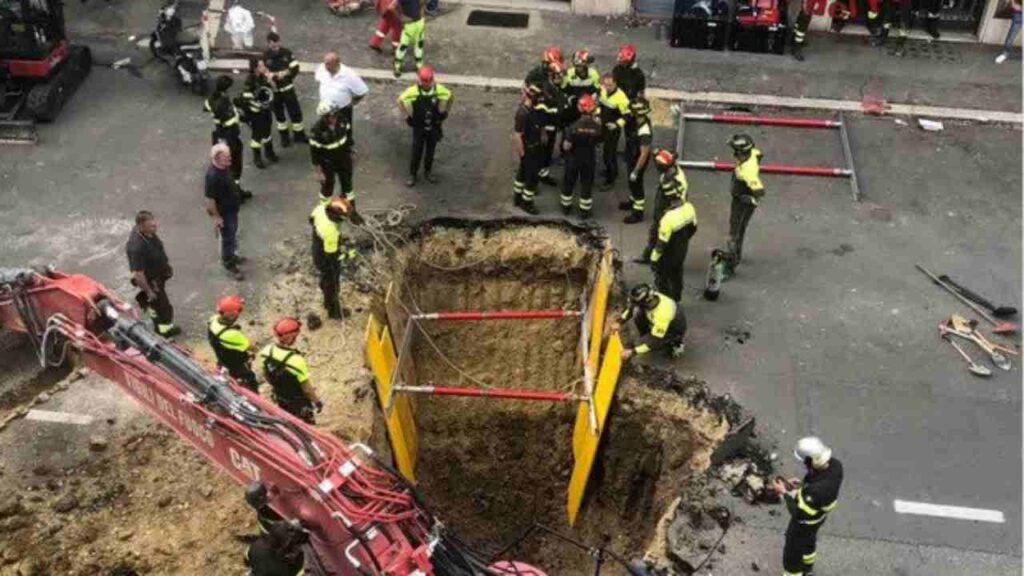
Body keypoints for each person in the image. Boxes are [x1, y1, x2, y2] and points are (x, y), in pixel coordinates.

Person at [771, 437, 843, 576]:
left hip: (805, 523)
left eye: (806, 461)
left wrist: (784, 492)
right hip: (819, 518)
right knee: (809, 543)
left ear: (813, 460)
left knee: (792, 555)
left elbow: (799, 512)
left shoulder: (816, 492)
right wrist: (800, 487)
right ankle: (807, 568)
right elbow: (817, 479)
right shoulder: (835, 465)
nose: (804, 464)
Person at [126, 211, 180, 338]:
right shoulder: (137, 248)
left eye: (155, 224)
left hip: (158, 274)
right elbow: (138, 274)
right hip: (150, 280)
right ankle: (165, 329)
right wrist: (149, 291)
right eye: (151, 226)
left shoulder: (147, 233)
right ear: (140, 226)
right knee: (163, 306)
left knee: (157, 302)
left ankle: (148, 303)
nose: (155, 227)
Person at [258, 317, 323, 423]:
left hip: (281, 398)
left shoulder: (266, 351)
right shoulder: (296, 360)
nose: (296, 338)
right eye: (295, 336)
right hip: (299, 402)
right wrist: (317, 402)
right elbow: (307, 389)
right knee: (307, 426)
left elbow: (266, 374)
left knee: (289, 422)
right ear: (290, 337)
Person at [398, 65, 452, 186]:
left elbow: (450, 97)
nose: (427, 84)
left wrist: (446, 112)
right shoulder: (413, 91)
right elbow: (400, 101)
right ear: (419, 80)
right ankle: (413, 174)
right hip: (419, 126)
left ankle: (428, 172)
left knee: (430, 151)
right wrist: (406, 116)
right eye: (424, 81)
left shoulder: (439, 90)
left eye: (429, 81)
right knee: (416, 151)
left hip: (433, 125)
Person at [310, 197, 364, 319]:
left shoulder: (320, 209)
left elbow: (311, 219)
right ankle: (333, 311)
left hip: (317, 245)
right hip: (325, 257)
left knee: (326, 279)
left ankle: (325, 291)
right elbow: (333, 257)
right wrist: (349, 254)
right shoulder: (331, 232)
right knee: (333, 283)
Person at [205, 143, 246, 281]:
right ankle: (229, 263)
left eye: (229, 156)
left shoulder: (224, 168)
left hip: (232, 209)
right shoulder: (212, 176)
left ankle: (232, 256)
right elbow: (210, 200)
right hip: (224, 213)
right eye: (226, 157)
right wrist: (217, 217)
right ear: (217, 158)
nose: (230, 159)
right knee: (227, 238)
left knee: (232, 233)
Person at [725, 134, 765, 275]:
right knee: (739, 229)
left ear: (741, 152)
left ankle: (731, 264)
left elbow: (759, 191)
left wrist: (750, 199)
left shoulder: (748, 171)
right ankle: (737, 254)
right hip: (740, 199)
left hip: (742, 203)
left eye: (736, 151)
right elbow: (759, 154)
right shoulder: (753, 153)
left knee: (735, 232)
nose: (734, 154)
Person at [640, 149, 688, 262]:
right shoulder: (671, 170)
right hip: (665, 211)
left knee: (662, 236)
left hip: (668, 213)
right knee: (656, 234)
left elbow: (675, 201)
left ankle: (659, 260)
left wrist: (665, 216)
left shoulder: (670, 181)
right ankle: (651, 256)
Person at [560, 94, 602, 219]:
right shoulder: (597, 126)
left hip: (573, 159)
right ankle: (584, 211)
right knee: (586, 184)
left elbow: (566, 146)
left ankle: (566, 207)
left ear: (579, 108)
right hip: (589, 159)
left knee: (569, 182)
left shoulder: (573, 127)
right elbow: (599, 140)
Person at [649, 193, 698, 302]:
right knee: (677, 273)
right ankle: (677, 299)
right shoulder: (689, 207)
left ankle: (665, 301)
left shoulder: (668, 218)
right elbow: (694, 228)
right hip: (682, 249)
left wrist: (653, 259)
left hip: (668, 254)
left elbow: (661, 245)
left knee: (662, 278)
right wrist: (684, 241)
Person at [619, 284, 687, 360]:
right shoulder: (651, 298)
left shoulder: (663, 314)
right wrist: (619, 322)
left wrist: (633, 352)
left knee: (656, 341)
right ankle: (646, 336)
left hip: (672, 330)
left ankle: (676, 344)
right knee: (637, 312)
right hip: (655, 319)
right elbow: (632, 307)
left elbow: (656, 340)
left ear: (646, 302)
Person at [315, 52, 368, 146]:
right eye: (325, 62)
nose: (325, 66)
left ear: (337, 63)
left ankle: (347, 146)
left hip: (342, 110)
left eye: (328, 64)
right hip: (325, 108)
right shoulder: (322, 69)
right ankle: (331, 144)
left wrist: (353, 103)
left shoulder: (349, 75)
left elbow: (362, 91)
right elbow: (318, 79)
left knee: (344, 129)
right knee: (327, 128)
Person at [263, 32, 307, 147]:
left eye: (277, 44)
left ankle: (299, 135)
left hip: (287, 88)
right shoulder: (265, 56)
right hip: (274, 90)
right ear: (268, 44)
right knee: (279, 115)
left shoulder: (286, 53)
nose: (275, 47)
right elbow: (263, 72)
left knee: (295, 112)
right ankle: (284, 138)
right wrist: (271, 76)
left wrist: (286, 76)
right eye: (273, 45)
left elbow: (295, 67)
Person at [204, 75, 246, 193]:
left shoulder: (211, 99)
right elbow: (231, 121)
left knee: (227, 164)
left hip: (219, 134)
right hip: (229, 136)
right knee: (235, 164)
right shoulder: (223, 102)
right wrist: (239, 116)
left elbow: (207, 108)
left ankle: (234, 189)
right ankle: (235, 191)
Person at [236, 58, 278, 170]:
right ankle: (257, 158)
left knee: (267, 132)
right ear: (255, 68)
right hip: (255, 114)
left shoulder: (264, 77)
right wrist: (258, 103)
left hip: (266, 110)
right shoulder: (250, 80)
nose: (264, 67)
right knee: (257, 136)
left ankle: (269, 153)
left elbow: (272, 90)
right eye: (261, 66)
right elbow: (247, 97)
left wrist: (270, 81)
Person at [208, 295, 257, 392]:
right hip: (237, 367)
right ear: (232, 314)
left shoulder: (213, 320)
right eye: (239, 310)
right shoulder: (232, 335)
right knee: (250, 384)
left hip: (223, 360)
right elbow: (253, 348)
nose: (240, 312)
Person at [309, 106, 354, 205]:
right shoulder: (317, 131)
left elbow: (347, 137)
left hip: (344, 158)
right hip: (327, 162)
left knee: (347, 184)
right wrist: (319, 173)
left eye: (335, 115)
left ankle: (350, 207)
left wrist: (350, 153)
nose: (334, 119)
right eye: (331, 116)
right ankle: (324, 208)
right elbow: (314, 154)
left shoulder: (342, 120)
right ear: (324, 117)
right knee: (328, 185)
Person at [512, 84, 544, 215]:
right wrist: (522, 153)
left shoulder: (531, 109)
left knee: (522, 173)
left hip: (532, 147)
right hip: (529, 149)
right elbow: (517, 136)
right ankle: (527, 203)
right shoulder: (523, 113)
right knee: (532, 177)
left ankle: (517, 197)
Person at [621, 97, 653, 224]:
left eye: (633, 111)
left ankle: (637, 212)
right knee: (631, 183)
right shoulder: (638, 120)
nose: (631, 113)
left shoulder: (644, 131)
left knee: (636, 185)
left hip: (638, 161)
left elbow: (644, 154)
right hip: (632, 155)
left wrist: (636, 170)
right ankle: (632, 200)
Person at [598, 72, 630, 190]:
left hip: (613, 130)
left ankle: (610, 179)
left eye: (610, 85)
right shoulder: (603, 90)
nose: (607, 88)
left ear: (615, 83)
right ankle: (609, 170)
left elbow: (627, 115)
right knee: (605, 152)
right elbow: (601, 105)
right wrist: (597, 115)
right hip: (603, 125)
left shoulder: (621, 97)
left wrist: (616, 125)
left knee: (609, 154)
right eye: (605, 85)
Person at [563, 49, 600, 124]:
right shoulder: (569, 73)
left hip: (588, 105)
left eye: (580, 66)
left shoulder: (593, 74)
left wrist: (592, 103)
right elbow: (565, 90)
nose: (577, 68)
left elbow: (596, 91)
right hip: (574, 103)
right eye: (576, 66)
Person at [393, 0, 426, 77]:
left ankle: (419, 66)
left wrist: (422, 12)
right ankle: (397, 66)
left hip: (418, 24)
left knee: (419, 46)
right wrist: (400, 17)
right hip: (410, 25)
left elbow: (423, 2)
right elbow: (391, 7)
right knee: (403, 46)